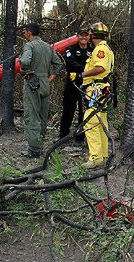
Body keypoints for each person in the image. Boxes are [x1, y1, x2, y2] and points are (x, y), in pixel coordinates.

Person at [70, 22, 114, 169]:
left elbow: (100, 68)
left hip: (97, 90)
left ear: (93, 35)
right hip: (100, 89)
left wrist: (81, 74)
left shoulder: (100, 50)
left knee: (90, 122)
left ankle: (95, 158)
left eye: (89, 34)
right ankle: (102, 155)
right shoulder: (105, 48)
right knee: (101, 122)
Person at [19, 23, 63, 158]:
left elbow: (25, 62)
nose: (24, 35)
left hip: (32, 81)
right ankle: (40, 143)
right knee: (43, 116)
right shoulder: (48, 47)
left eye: (25, 32)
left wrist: (22, 63)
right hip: (45, 82)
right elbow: (59, 64)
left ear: (29, 33)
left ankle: (34, 150)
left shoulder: (29, 45)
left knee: (32, 115)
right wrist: (50, 78)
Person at [57, 23, 93, 145]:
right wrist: (86, 69)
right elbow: (70, 64)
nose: (84, 38)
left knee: (84, 111)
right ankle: (63, 136)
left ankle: (80, 137)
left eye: (86, 35)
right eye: (81, 35)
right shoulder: (70, 49)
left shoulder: (93, 50)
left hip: (86, 85)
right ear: (77, 36)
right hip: (72, 84)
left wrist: (85, 71)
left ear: (89, 37)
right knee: (68, 111)